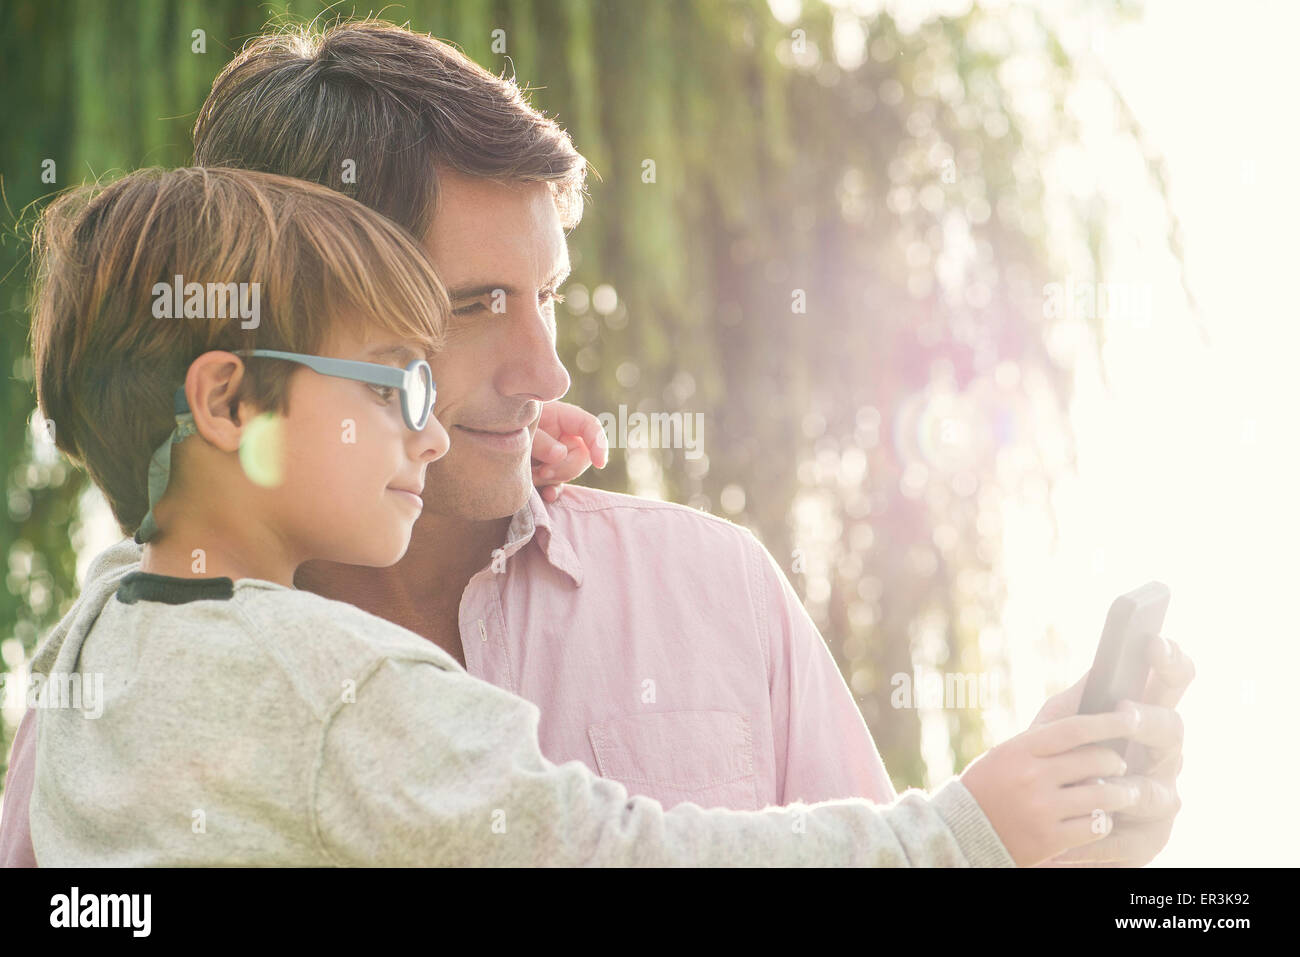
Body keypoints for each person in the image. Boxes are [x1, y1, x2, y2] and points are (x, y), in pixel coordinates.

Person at [1, 19, 1193, 866]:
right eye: (467, 310)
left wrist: (1059, 851)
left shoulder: (712, 591)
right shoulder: (101, 702)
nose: (547, 373)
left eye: (548, 297)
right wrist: (965, 839)